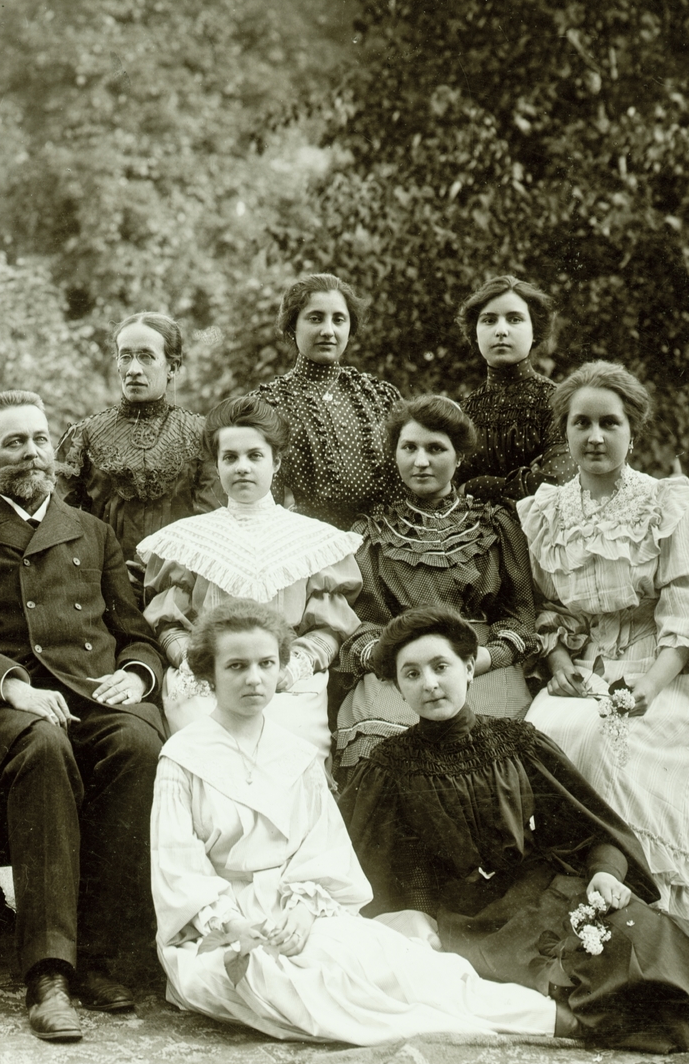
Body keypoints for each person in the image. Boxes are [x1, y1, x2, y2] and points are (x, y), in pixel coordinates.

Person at [341, 607, 689, 1052]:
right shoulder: (389, 768)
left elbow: (591, 830)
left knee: (659, 946)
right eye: (412, 674)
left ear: (468, 668)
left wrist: (606, 873)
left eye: (440, 667)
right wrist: (414, 918)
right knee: (617, 992)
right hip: (473, 924)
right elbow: (380, 868)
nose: (430, 683)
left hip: (549, 892)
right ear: (397, 687)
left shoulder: (518, 742)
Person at [152, 600, 559, 1044]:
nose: (254, 678)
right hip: (215, 933)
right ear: (209, 674)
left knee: (392, 963)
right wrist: (232, 924)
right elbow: (179, 868)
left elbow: (322, 852)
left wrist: (304, 911)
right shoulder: (183, 759)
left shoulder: (295, 756)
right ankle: (469, 1029)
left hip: (299, 912)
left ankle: (546, 1018)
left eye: (266, 663)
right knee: (302, 985)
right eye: (236, 666)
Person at [0, 390, 167, 1041]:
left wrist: (133, 674)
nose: (30, 452)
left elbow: (136, 631)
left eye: (38, 439)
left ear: (54, 452)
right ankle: (48, 975)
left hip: (91, 694)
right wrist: (12, 687)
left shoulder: (93, 532)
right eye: (13, 442)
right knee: (44, 745)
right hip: (1, 710)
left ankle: (103, 956)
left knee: (140, 741)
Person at [519, 362, 689, 938]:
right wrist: (556, 665)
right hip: (584, 672)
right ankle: (570, 918)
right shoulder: (546, 514)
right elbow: (552, 609)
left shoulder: (665, 506)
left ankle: (660, 922)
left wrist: (649, 685)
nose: (595, 437)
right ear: (566, 431)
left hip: (667, 676)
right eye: (582, 423)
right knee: (538, 735)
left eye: (610, 423)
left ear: (633, 432)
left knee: (613, 744)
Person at [136, 394, 362, 753]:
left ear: (276, 462)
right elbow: (170, 624)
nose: (242, 467)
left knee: (288, 738)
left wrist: (289, 671)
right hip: (205, 680)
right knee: (207, 741)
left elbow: (328, 628)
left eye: (254, 456)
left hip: (287, 681)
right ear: (218, 465)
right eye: (230, 457)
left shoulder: (316, 540)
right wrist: (200, 667)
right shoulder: (187, 540)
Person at [334, 394, 537, 768]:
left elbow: (519, 615)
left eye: (436, 448)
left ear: (459, 456)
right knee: (383, 758)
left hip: (481, 668)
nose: (421, 461)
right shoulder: (372, 533)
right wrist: (386, 658)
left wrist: (485, 658)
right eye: (408, 447)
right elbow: (361, 623)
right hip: (401, 672)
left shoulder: (494, 525)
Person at [57, 312, 221, 589]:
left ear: (173, 366)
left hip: (183, 584)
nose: (133, 369)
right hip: (101, 584)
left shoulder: (201, 434)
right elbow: (62, 520)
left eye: (146, 356)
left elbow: (214, 518)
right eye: (125, 356)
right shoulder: (83, 435)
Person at [250, 273, 401, 528]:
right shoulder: (269, 404)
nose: (328, 331)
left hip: (387, 544)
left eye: (338, 320)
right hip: (313, 544)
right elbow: (264, 504)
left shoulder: (380, 396)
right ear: (292, 326)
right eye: (315, 318)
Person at [453, 274, 575, 504]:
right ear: (475, 333)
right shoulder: (463, 411)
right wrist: (526, 479)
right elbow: (445, 487)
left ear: (535, 331)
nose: (501, 330)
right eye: (489, 320)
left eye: (515, 319)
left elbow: (558, 482)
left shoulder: (557, 402)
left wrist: (476, 485)